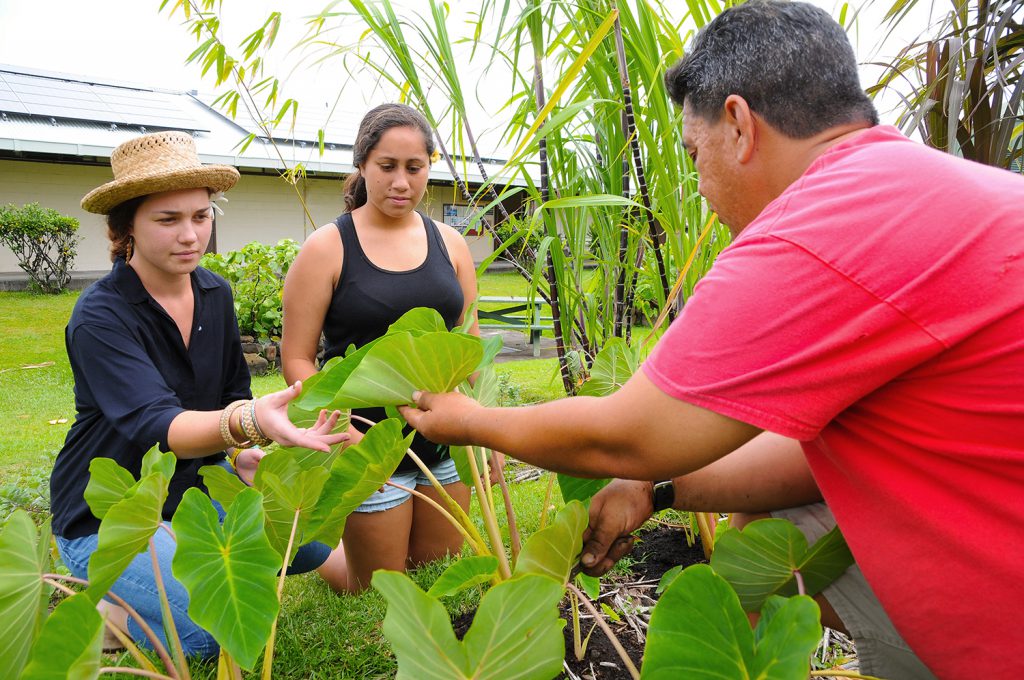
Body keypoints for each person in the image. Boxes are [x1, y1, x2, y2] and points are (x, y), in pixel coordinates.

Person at [398, 2, 1024, 678]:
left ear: (739, 124)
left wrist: (471, 422)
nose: (699, 187)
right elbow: (813, 457)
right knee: (770, 529)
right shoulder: (948, 189)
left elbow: (624, 437)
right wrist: (657, 491)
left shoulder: (814, 228)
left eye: (695, 155)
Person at [52, 131, 349, 659]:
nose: (190, 235)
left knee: (310, 545)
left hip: (193, 496)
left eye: (201, 216)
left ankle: (157, 582)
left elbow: (231, 392)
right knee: (209, 633)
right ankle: (102, 610)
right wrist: (250, 421)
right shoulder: (101, 315)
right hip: (110, 517)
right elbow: (158, 425)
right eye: (168, 220)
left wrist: (240, 456)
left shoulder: (214, 292)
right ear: (126, 227)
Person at [280, 103, 485, 593]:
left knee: (436, 569)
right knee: (372, 586)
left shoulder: (451, 244)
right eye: (386, 167)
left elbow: (470, 345)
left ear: (429, 167)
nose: (401, 182)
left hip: (445, 439)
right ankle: (330, 558)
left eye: (414, 168)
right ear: (362, 165)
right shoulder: (327, 247)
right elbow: (297, 358)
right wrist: (344, 432)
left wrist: (483, 430)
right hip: (367, 442)